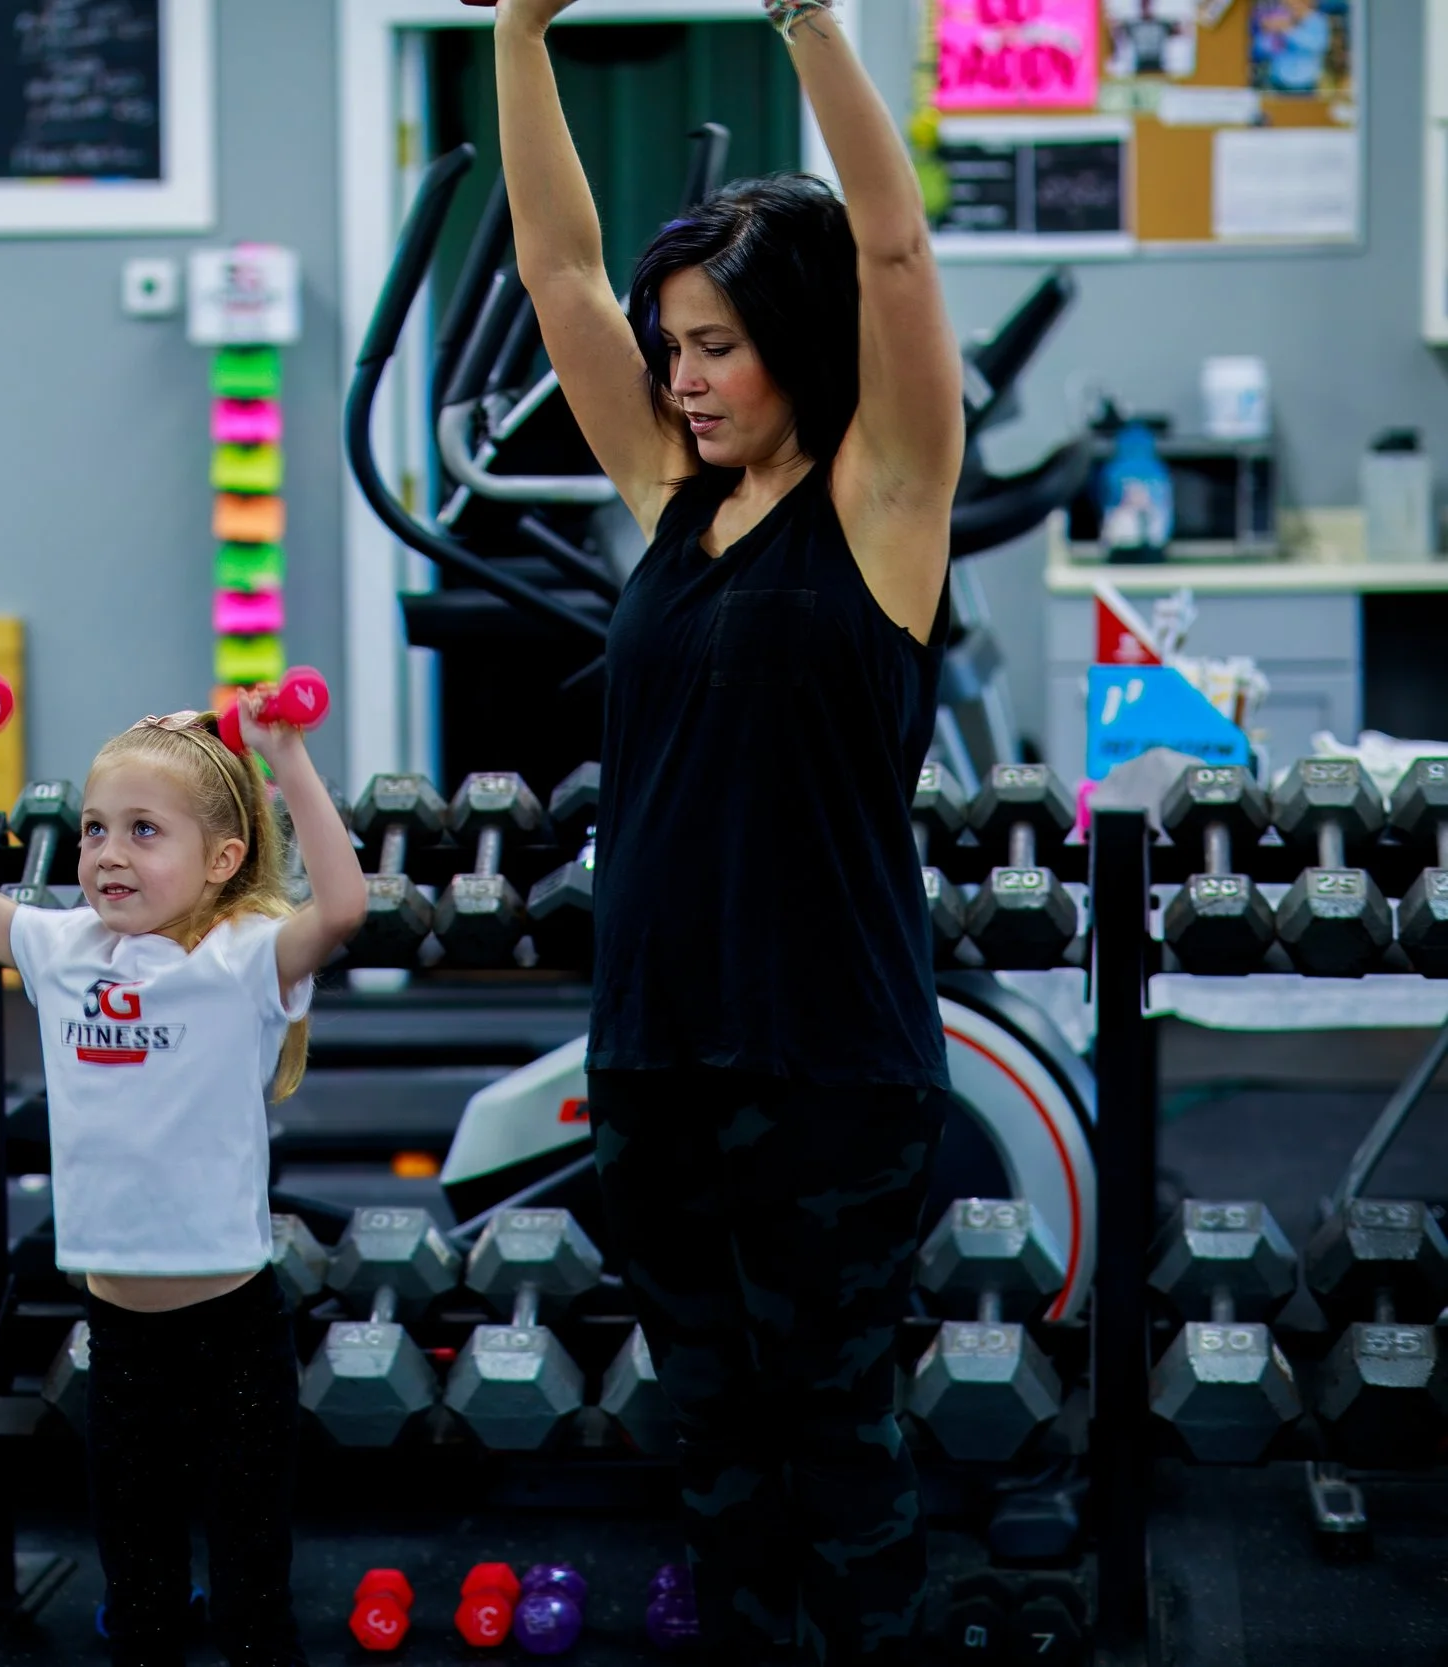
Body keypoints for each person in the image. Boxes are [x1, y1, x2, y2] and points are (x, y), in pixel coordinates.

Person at [491, 1, 964, 1661]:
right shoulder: (673, 498)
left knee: (837, 1448)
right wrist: (517, 27)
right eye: (671, 344)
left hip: (828, 1063)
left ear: (801, 341)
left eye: (716, 345)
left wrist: (809, 23)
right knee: (709, 1447)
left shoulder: (885, 500)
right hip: (657, 1055)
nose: (680, 377)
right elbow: (557, 274)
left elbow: (895, 254)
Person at [0, 681, 365, 1667]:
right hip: (117, 1332)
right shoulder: (64, 946)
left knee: (253, 1598)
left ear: (221, 859)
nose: (108, 852)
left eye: (143, 830)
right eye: (94, 829)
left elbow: (344, 904)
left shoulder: (243, 958)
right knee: (140, 1591)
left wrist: (287, 758)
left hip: (234, 1327)